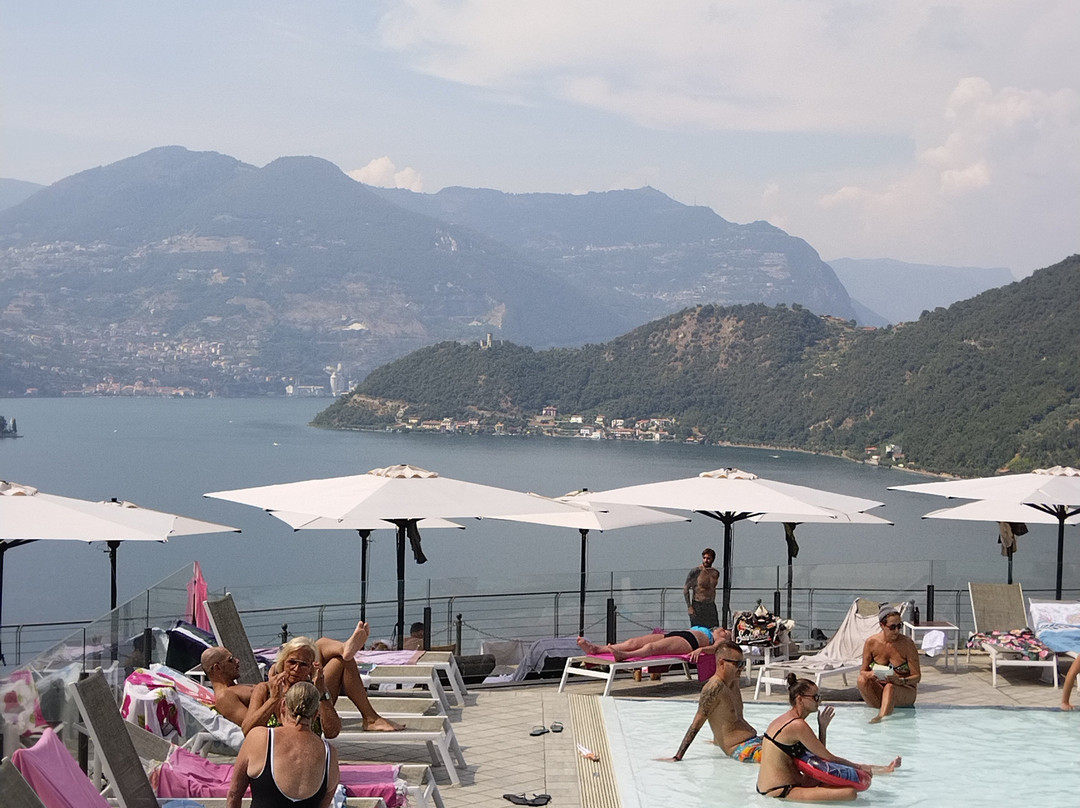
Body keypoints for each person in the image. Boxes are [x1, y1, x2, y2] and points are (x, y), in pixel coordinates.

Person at [757, 674, 900, 801]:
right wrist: (861, 768)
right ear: (800, 699)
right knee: (850, 793)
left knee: (843, 783)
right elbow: (829, 758)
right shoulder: (797, 725)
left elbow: (818, 758)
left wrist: (822, 728)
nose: (819, 701)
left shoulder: (785, 720)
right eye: (815, 697)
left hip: (780, 785)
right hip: (780, 790)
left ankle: (886, 769)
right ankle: (884, 770)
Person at [227, 681, 340, 808]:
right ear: (315, 714)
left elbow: (234, 794)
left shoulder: (260, 738)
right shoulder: (329, 754)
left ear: (283, 705)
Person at [668, 641, 761, 761]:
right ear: (722, 663)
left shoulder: (733, 681)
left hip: (754, 741)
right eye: (737, 664)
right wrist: (678, 757)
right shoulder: (714, 687)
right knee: (782, 757)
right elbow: (697, 723)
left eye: (742, 663)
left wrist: (717, 740)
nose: (741, 668)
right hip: (740, 748)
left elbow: (726, 717)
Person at [856, 610, 920, 723]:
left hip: (904, 689)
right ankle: (881, 711)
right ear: (882, 625)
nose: (897, 631)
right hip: (881, 688)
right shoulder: (871, 643)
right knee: (862, 680)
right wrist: (871, 674)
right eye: (892, 627)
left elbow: (917, 677)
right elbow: (863, 671)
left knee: (890, 687)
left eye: (899, 626)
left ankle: (882, 718)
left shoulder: (907, 644)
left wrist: (900, 681)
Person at [576, 625, 730, 662]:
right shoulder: (710, 629)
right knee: (633, 641)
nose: (724, 629)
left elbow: (715, 648)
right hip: (679, 633)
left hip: (691, 642)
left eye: (727, 631)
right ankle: (597, 648)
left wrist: (701, 650)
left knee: (652, 648)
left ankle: (624, 655)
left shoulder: (721, 639)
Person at [684, 548, 720, 629]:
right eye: (704, 558)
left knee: (714, 629)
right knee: (698, 629)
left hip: (710, 605)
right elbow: (686, 588)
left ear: (713, 559)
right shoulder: (696, 571)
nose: (706, 560)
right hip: (698, 605)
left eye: (708, 558)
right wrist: (689, 607)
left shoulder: (715, 573)